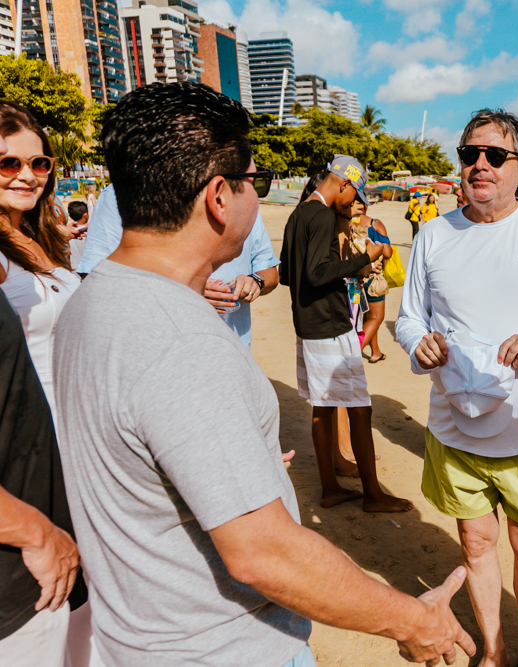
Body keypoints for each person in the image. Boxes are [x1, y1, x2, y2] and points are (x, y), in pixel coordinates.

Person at [53, 81, 473, 667]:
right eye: (258, 179)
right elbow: (262, 553)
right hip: (223, 648)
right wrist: (412, 620)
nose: (262, 195)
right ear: (219, 196)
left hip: (140, 635)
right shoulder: (183, 340)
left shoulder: (90, 302)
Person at [397, 108, 518, 667]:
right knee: (476, 545)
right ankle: (496, 651)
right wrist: (418, 344)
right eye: (469, 154)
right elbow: (409, 318)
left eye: (495, 155)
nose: (479, 165)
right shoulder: (433, 234)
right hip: (455, 427)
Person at [0, 109, 85, 667]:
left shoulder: (38, 239)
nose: (27, 173)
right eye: (8, 162)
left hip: (68, 447)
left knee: (79, 614)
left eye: (39, 162)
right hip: (20, 457)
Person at [280, 156, 412, 513]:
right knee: (359, 409)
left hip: (307, 324)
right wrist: (362, 259)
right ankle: (373, 493)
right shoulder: (321, 215)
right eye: (354, 193)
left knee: (323, 407)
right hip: (329, 325)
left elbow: (291, 274)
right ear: (343, 184)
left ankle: (330, 488)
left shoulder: (299, 213)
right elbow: (317, 273)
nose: (354, 203)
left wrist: (342, 267)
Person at [75, 183, 279, 349]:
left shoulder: (242, 198)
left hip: (234, 351)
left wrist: (255, 282)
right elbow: (95, 281)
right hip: (161, 355)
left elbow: (268, 270)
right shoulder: (119, 196)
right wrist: (184, 290)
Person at [355, 200, 391, 363]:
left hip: (354, 278)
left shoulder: (347, 223)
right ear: (366, 206)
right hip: (372, 277)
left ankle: (375, 352)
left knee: (366, 317)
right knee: (376, 317)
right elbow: (388, 253)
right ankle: (355, 352)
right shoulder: (375, 224)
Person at [66, 201, 88, 271]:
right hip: (86, 268)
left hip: (73, 266)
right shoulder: (88, 231)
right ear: (85, 215)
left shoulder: (67, 230)